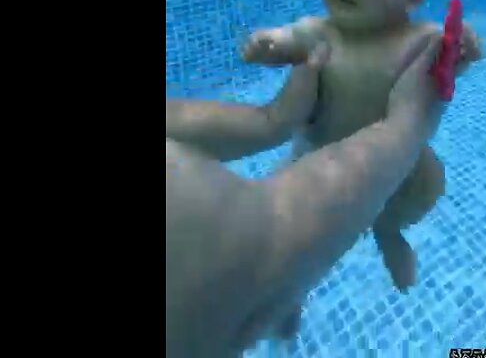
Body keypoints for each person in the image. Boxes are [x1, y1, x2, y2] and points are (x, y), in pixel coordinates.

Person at [240, 0, 482, 294]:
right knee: (281, 223)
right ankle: (282, 285)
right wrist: (266, 46)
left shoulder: (421, 40)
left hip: (397, 168)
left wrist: (464, 51)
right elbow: (284, 45)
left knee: (399, 205)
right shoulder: (317, 31)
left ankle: (388, 234)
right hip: (317, 154)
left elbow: (445, 73)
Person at [166, 32, 450, 357]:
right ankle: (291, 304)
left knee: (417, 183)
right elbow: (269, 238)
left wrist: (275, 119)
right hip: (310, 176)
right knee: (278, 267)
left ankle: (387, 231)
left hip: (335, 182)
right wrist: (409, 122)